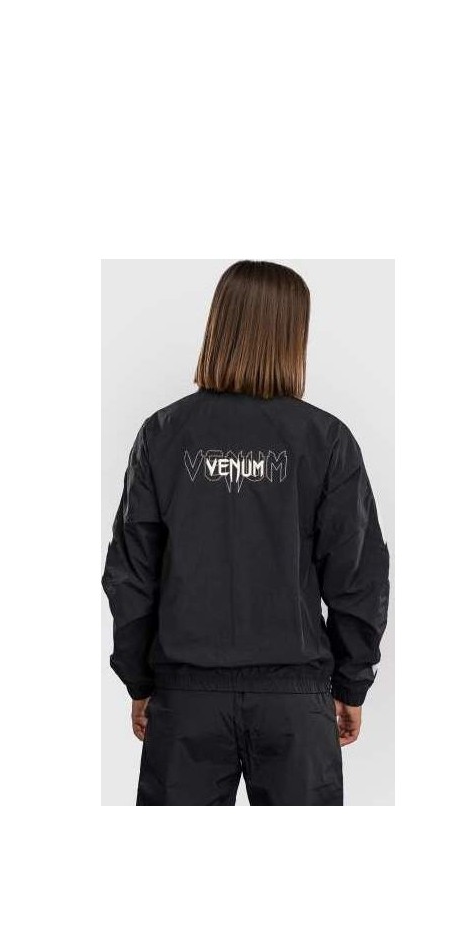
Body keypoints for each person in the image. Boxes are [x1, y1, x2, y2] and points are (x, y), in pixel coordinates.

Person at [102, 260, 390, 806]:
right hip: (294, 706)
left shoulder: (163, 434)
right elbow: (358, 577)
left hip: (186, 702)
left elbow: (131, 575)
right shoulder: (326, 440)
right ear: (292, 334)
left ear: (220, 325)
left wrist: (140, 680)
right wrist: (351, 684)